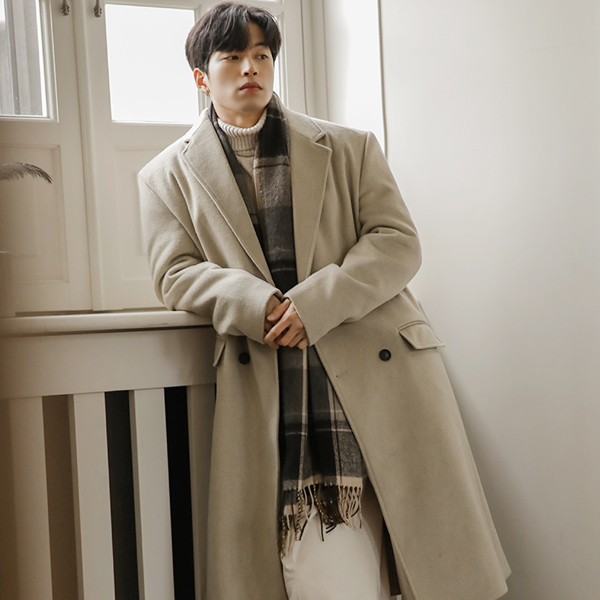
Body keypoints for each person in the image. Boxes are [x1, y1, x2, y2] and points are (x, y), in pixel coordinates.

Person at [138, 3, 511, 599]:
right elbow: (175, 273)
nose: (251, 67)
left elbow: (398, 242)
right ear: (202, 77)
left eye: (262, 54)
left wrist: (316, 304)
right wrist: (256, 303)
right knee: (326, 569)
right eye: (233, 56)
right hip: (278, 387)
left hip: (384, 376)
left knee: (426, 557)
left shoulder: (347, 146)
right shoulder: (165, 176)